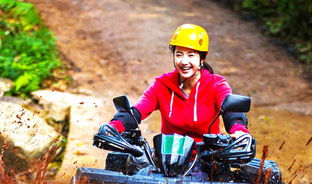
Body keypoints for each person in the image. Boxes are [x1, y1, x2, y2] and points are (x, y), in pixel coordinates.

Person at [106, 24, 249, 140]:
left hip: (208, 159)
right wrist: (114, 126)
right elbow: (136, 112)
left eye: (191, 55)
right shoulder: (162, 85)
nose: (184, 61)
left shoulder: (216, 85)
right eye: (178, 54)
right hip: (167, 159)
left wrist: (240, 131)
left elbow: (232, 112)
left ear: (203, 58)